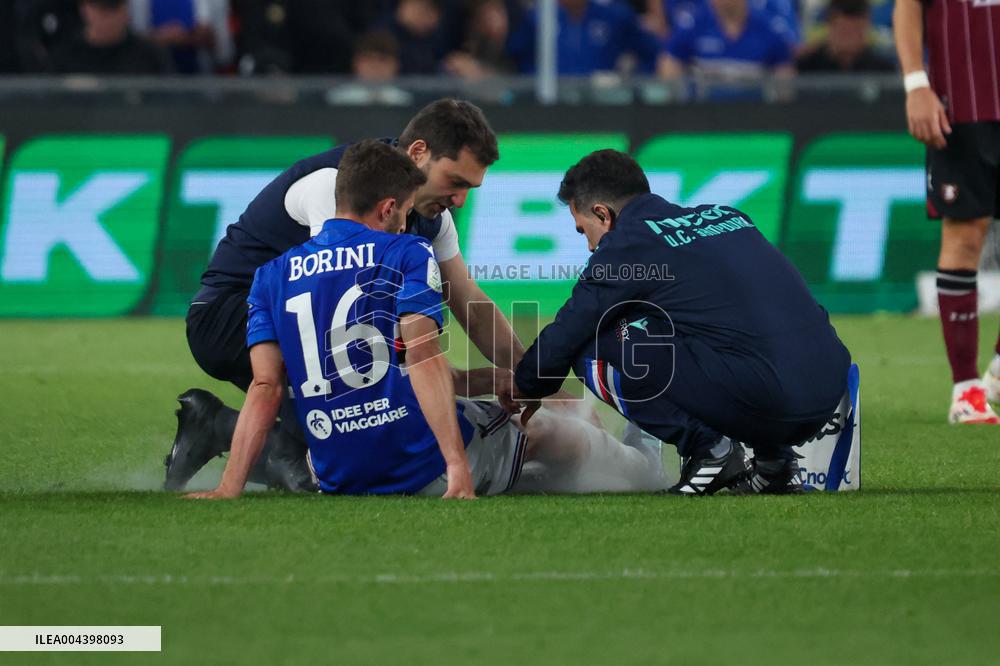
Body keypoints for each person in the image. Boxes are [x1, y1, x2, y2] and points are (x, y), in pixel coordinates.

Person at [185, 141, 666, 500]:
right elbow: (421, 360)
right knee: (565, 433)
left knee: (517, 428)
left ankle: (251, 445)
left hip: (338, 474)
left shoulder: (271, 275)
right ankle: (645, 466)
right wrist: (456, 464)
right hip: (417, 463)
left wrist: (228, 488)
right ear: (390, 206)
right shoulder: (407, 252)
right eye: (407, 210)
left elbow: (267, 386)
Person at [165, 99, 526, 492]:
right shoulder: (335, 185)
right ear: (419, 152)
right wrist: (436, 378)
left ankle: (225, 430)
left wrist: (537, 378)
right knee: (360, 440)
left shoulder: (428, 217)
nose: (460, 200)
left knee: (374, 423)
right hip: (227, 315)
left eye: (469, 188)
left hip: (300, 321)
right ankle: (229, 432)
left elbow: (473, 308)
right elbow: (333, 300)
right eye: (455, 181)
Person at [504, 150, 852, 496]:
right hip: (828, 392)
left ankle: (710, 450)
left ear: (602, 214)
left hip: (770, 399)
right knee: (728, 331)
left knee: (589, 345)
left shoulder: (629, 244)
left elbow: (569, 330)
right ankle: (775, 464)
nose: (590, 247)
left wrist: (525, 385)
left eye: (584, 231)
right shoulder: (728, 216)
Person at [894, 0, 1000, 424]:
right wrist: (915, 84)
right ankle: (967, 391)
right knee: (965, 235)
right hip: (963, 105)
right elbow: (907, 5)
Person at [657, 0, 795, 100]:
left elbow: (784, 72)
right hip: (703, 114)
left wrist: (780, 104)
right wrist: (678, 102)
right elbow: (669, 62)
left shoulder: (768, 29)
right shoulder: (693, 25)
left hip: (754, 113)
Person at [507, 0, 663, 76]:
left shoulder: (615, 15)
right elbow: (516, 59)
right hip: (550, 105)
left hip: (602, 106)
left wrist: (627, 83)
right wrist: (534, 81)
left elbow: (653, 54)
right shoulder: (537, 17)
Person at [48, 0, 171, 74]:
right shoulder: (64, 56)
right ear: (84, 9)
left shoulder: (151, 55)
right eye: (101, 9)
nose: (108, 18)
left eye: (114, 8)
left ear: (126, 8)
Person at [796, 0, 893, 73]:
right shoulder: (807, 66)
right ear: (830, 26)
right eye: (844, 31)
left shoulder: (883, 69)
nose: (851, 39)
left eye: (857, 31)